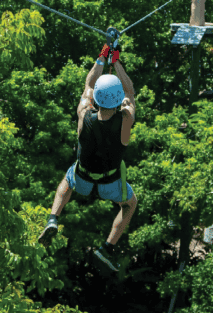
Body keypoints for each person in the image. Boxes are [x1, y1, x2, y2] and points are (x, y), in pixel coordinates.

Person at [38, 43, 138, 272]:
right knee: (130, 205)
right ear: (117, 100)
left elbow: (89, 84)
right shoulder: (125, 120)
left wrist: (103, 56)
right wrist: (117, 61)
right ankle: (107, 247)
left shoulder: (85, 114)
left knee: (67, 181)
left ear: (97, 100)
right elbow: (130, 91)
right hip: (110, 183)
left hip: (82, 178)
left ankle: (53, 217)